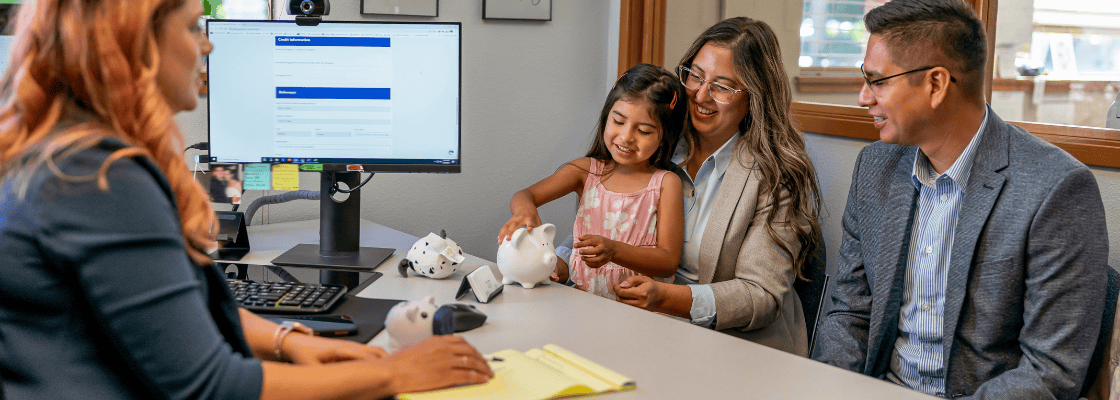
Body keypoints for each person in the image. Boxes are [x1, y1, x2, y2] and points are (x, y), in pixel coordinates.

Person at [0, 0, 492, 399]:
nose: (208, 44)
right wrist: (396, 374)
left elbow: (172, 310)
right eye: (193, 26)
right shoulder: (101, 179)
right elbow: (210, 385)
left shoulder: (65, 155)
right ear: (135, 42)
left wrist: (285, 338)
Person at [812, 0, 1110, 398]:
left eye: (878, 81)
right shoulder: (876, 167)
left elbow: (1050, 373)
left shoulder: (1056, 189)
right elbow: (849, 311)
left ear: (936, 84)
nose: (864, 97)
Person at [551, 18, 824, 356]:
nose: (700, 94)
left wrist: (667, 299)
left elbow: (760, 296)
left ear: (754, 96)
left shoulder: (775, 177)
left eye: (722, 86)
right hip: (630, 325)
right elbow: (603, 213)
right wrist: (560, 260)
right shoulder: (654, 139)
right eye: (695, 75)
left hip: (728, 345)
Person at [498, 63, 687, 300]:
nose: (627, 137)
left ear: (664, 137)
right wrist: (525, 211)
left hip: (639, 313)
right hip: (583, 305)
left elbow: (668, 261)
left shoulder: (665, 183)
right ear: (606, 117)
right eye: (618, 122)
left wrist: (615, 251)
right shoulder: (586, 171)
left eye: (644, 131)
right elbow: (525, 195)